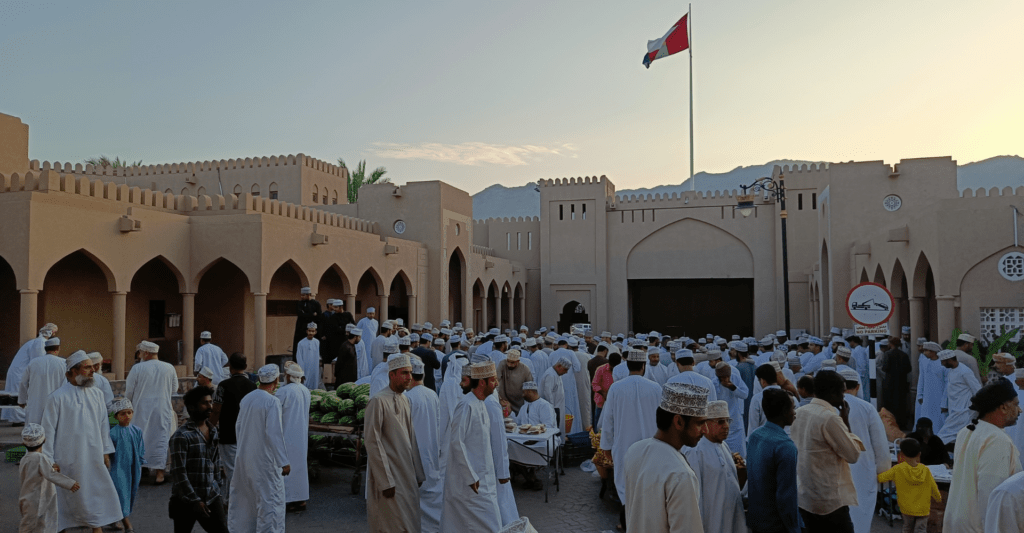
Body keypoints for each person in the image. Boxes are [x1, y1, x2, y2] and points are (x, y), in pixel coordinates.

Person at [40, 350, 123, 533]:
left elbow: (103, 425)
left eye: (93, 367)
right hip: (66, 457)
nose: (93, 370)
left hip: (93, 455)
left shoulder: (97, 394)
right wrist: (49, 459)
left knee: (95, 492)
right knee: (64, 495)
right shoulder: (57, 398)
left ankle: (96, 527)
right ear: (74, 371)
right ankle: (61, 527)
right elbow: (48, 430)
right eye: (87, 367)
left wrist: (105, 451)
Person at [624, 382, 708, 532]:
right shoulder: (680, 474)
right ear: (679, 422)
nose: (705, 430)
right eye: (700, 423)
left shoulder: (634, 451)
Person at [943, 378, 1022, 532]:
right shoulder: (996, 439)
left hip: (956, 523)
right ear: (1003, 407)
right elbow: (991, 494)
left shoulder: (967, 431)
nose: (1020, 410)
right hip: (977, 528)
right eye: (1016, 404)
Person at [791, 369, 865, 532]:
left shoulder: (799, 413)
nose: (843, 397)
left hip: (806, 496)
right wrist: (845, 420)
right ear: (832, 393)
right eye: (841, 392)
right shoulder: (829, 418)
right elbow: (852, 455)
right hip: (829, 500)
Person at [600, 348, 662, 528]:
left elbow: (608, 419)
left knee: (626, 483)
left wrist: (606, 446)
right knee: (649, 483)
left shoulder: (616, 388)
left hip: (624, 445)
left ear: (627, 365)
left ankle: (627, 523)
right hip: (651, 445)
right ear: (643, 366)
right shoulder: (655, 388)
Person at [365, 354, 425, 532]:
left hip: (407, 474)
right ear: (392, 375)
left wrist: (418, 473)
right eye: (404, 373)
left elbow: (411, 437)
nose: (409, 377)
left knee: (409, 522)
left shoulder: (405, 399)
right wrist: (385, 481)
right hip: (390, 475)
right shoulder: (378, 401)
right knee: (390, 523)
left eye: (410, 373)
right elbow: (372, 442)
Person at [227, 364, 290, 533]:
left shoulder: (247, 399)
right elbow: (274, 434)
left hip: (245, 459)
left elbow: (238, 427)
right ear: (275, 381)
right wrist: (283, 462)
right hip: (265, 463)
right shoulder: (272, 401)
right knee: (270, 504)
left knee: (245, 502)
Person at [440, 361, 502, 533]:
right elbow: (456, 442)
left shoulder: (480, 403)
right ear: (482, 382)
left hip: (484, 480)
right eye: (493, 380)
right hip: (469, 482)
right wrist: (470, 476)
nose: (497, 384)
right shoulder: (466, 405)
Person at [169, 385, 229, 533]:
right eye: (204, 403)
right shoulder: (181, 436)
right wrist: (194, 500)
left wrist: (217, 488)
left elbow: (215, 463)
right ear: (191, 407)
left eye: (210, 402)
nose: (210, 406)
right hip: (186, 500)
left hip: (211, 496)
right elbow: (179, 473)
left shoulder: (213, 430)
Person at [840, 368, 892, 533]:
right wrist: (883, 470)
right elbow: (880, 444)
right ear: (857, 386)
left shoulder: (829, 407)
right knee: (860, 515)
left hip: (837, 468)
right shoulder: (867, 408)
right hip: (863, 469)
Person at [684, 400, 747, 533]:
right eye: (720, 422)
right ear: (705, 424)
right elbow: (693, 498)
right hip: (711, 524)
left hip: (732, 521)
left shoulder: (723, 446)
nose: (726, 426)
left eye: (727, 421)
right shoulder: (695, 451)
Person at [125, 340, 179, 484]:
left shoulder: (137, 368)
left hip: (140, 411)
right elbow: (174, 389)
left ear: (146, 353)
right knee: (160, 439)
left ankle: (139, 471)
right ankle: (159, 474)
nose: (139, 355)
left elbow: (129, 391)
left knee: (141, 439)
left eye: (140, 352)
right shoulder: (169, 367)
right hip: (162, 410)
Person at [747, 388, 799, 533]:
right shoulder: (785, 446)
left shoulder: (755, 435)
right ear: (784, 412)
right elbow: (786, 496)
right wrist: (794, 527)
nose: (795, 412)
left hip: (756, 519)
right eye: (792, 408)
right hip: (776, 524)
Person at [210, 352, 256, 504]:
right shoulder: (252, 386)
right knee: (241, 470)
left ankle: (238, 504)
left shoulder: (223, 386)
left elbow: (216, 410)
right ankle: (230, 501)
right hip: (247, 435)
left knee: (232, 471)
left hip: (228, 434)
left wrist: (209, 427)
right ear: (245, 366)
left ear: (230, 366)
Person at [18, 422, 79, 533]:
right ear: (44, 440)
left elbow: (39, 471)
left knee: (30, 524)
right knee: (36, 526)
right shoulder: (40, 458)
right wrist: (69, 483)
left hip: (26, 498)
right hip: (39, 499)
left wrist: (52, 467)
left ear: (23, 443)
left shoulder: (25, 459)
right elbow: (50, 474)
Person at [405, 358, 443, 532]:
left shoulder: (407, 397)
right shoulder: (432, 394)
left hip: (415, 452)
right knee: (432, 490)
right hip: (432, 449)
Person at [877, 438, 941, 533]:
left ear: (901, 454)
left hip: (906, 508)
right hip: (923, 508)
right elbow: (933, 486)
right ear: (919, 454)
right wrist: (938, 498)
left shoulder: (898, 469)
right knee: (921, 530)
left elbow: (881, 478)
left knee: (907, 528)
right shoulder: (925, 470)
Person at [3, 323, 56, 425]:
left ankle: (18, 419)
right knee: (19, 396)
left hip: (19, 373)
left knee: (19, 396)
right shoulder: (40, 342)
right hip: (20, 373)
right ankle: (19, 420)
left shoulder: (37, 341)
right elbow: (38, 361)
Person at [276, 361, 311, 512]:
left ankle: (289, 500)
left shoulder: (283, 391)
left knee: (287, 467)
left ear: (289, 376)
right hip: (301, 435)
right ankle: (300, 499)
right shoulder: (305, 390)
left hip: (287, 434)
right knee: (300, 467)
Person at [109, 398, 145, 533]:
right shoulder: (112, 433)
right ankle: (127, 524)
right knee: (121, 494)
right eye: (123, 413)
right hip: (118, 468)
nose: (127, 416)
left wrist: (140, 462)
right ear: (116, 416)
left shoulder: (137, 431)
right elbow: (108, 451)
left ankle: (114, 519)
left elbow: (141, 448)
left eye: (129, 412)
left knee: (130, 494)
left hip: (134, 468)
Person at [937, 348, 984, 445]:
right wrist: (944, 404)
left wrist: (979, 407)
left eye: (943, 362)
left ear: (949, 360)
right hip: (954, 409)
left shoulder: (965, 371)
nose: (942, 364)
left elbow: (977, 389)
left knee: (944, 435)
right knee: (957, 437)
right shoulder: (951, 371)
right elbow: (949, 388)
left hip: (964, 410)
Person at [18, 336, 66, 425]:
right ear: (58, 349)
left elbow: (23, 383)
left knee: (34, 430)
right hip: (56, 404)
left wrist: (22, 400)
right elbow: (66, 385)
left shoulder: (33, 362)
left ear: (45, 349)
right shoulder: (63, 363)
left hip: (35, 406)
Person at [714, 361, 749, 458]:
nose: (726, 379)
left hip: (735, 422)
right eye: (723, 377)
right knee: (725, 455)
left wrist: (732, 387)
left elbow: (745, 394)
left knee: (740, 455)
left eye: (727, 376)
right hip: (721, 422)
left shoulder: (735, 378)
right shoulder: (714, 383)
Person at [881, 335, 913, 428]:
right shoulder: (904, 355)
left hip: (890, 383)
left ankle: (891, 424)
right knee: (901, 404)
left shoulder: (888, 354)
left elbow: (885, 367)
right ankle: (901, 424)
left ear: (891, 344)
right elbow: (908, 368)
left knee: (889, 404)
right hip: (902, 383)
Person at [915, 341, 947, 432]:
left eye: (926, 350)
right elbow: (921, 378)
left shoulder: (943, 364)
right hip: (927, 398)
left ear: (933, 351)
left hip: (940, 397)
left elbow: (947, 384)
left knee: (939, 420)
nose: (924, 353)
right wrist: (920, 395)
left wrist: (945, 401)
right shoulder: (924, 362)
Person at [497, 349, 533, 414]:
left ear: (518, 361)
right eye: (508, 361)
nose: (509, 364)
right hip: (505, 402)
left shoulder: (525, 369)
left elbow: (529, 388)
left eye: (512, 362)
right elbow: (496, 381)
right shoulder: (503, 364)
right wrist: (500, 398)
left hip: (519, 404)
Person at [540, 357, 570, 435]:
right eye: (565, 369)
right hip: (553, 409)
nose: (566, 372)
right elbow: (547, 393)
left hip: (557, 408)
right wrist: (551, 409)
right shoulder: (550, 374)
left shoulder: (556, 374)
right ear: (558, 366)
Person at [292, 286, 321, 357]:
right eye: (301, 295)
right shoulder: (300, 303)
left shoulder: (316, 303)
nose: (301, 297)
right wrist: (312, 314)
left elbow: (319, 316)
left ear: (308, 295)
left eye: (303, 295)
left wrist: (307, 314)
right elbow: (301, 314)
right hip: (301, 329)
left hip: (313, 329)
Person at [295, 322, 321, 390]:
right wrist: (301, 370)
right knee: (305, 385)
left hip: (314, 368)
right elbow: (299, 357)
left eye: (313, 331)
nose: (311, 333)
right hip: (305, 368)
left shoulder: (317, 342)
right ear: (307, 331)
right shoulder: (301, 343)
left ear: (315, 332)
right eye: (309, 331)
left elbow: (317, 355)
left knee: (314, 384)